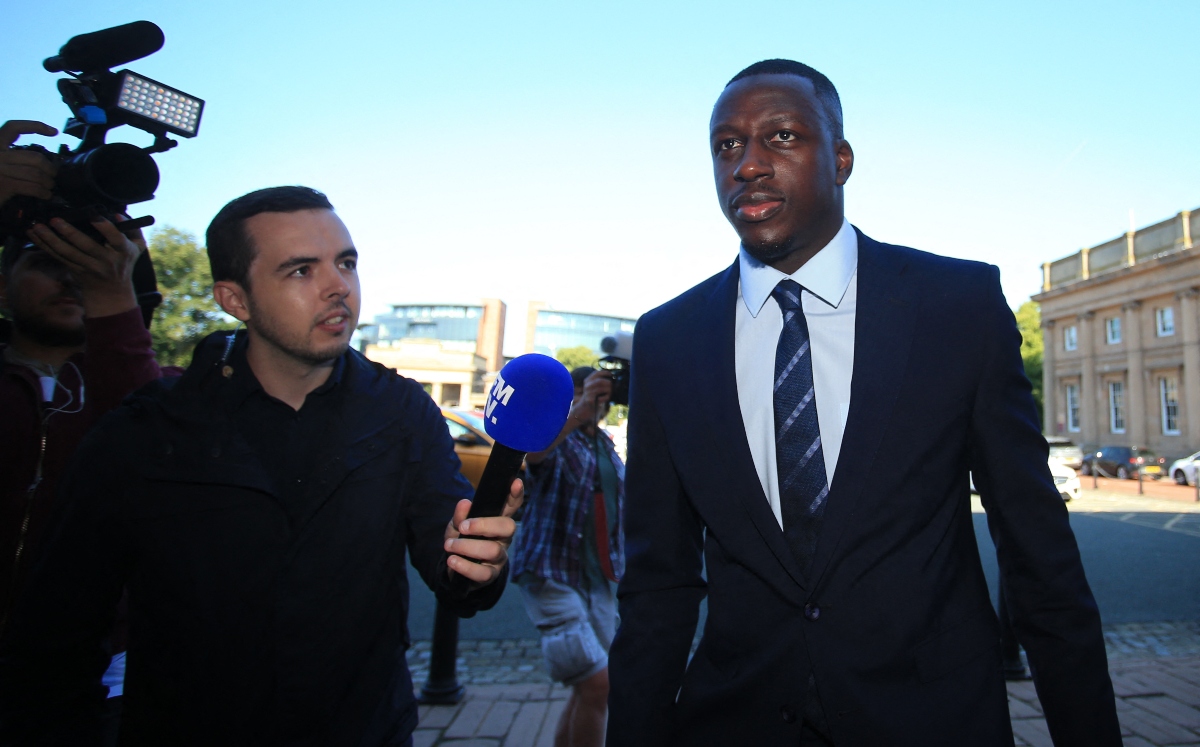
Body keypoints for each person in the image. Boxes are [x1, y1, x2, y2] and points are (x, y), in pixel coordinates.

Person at [606, 60, 1121, 746]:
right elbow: (657, 587)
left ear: (841, 159)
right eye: (727, 145)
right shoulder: (669, 340)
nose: (749, 165)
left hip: (933, 723)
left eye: (781, 137)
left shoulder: (956, 309)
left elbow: (1039, 556)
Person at [0, 186, 521, 746]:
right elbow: (58, 637)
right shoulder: (149, 428)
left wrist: (474, 558)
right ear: (235, 299)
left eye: (345, 263)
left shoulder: (402, 410)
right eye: (300, 270)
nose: (337, 286)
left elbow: (456, 577)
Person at [0, 119, 180, 732]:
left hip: (94, 676)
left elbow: (154, 460)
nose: (69, 276)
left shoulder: (147, 384)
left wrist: (116, 305)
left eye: (87, 257)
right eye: (46, 259)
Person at [511, 366, 623, 747]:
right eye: (579, 393)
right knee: (599, 685)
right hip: (552, 572)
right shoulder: (558, 438)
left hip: (597, 578)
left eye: (597, 394)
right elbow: (535, 453)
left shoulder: (605, 444)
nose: (592, 402)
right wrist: (578, 413)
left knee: (588, 689)